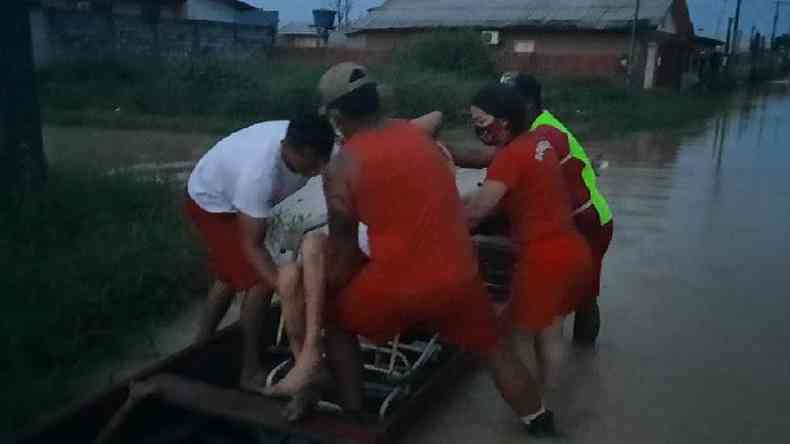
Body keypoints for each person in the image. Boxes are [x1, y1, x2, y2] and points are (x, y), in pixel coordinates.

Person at [266, 63, 553, 435]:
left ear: (335, 116)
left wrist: (315, 294)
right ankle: (540, 421)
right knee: (495, 347)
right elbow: (433, 120)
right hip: (462, 276)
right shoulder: (419, 136)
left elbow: (344, 254)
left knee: (335, 318)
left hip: (402, 288)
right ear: (377, 101)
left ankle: (355, 419)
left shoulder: (341, 169)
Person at [450, 73, 614, 345]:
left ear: (525, 103)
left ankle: (580, 360)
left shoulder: (543, 134)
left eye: (505, 100)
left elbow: (488, 163)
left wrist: (437, 150)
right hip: (565, 220)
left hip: (588, 221)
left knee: (583, 297)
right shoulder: (528, 130)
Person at [464, 82, 593, 410]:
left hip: (544, 258)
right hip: (572, 249)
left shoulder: (509, 157)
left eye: (481, 122)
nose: (478, 129)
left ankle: (534, 406)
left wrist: (439, 230)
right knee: (551, 333)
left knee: (519, 334)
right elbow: (522, 193)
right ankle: (552, 404)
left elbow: (479, 210)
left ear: (504, 121)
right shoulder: (538, 142)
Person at [184, 116, 335, 393]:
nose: (320, 169)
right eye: (315, 163)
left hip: (232, 192)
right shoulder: (259, 176)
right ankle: (249, 370)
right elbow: (251, 245)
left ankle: (200, 344)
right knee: (259, 282)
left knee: (229, 273)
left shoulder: (311, 140)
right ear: (298, 152)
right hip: (212, 204)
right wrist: (288, 292)